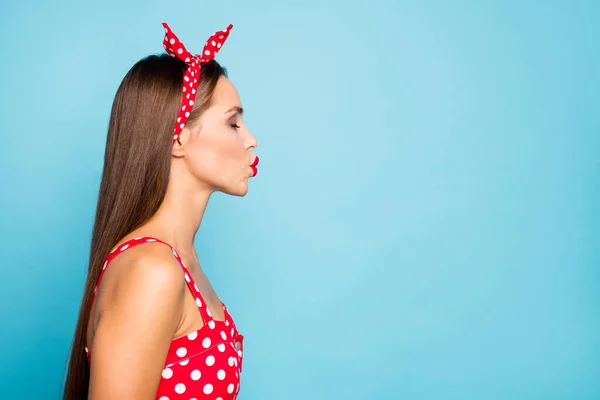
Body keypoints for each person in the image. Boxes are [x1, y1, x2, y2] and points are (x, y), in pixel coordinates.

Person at [62, 22, 258, 400]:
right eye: (233, 122)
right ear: (178, 137)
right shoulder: (151, 269)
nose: (251, 139)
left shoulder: (182, 262)